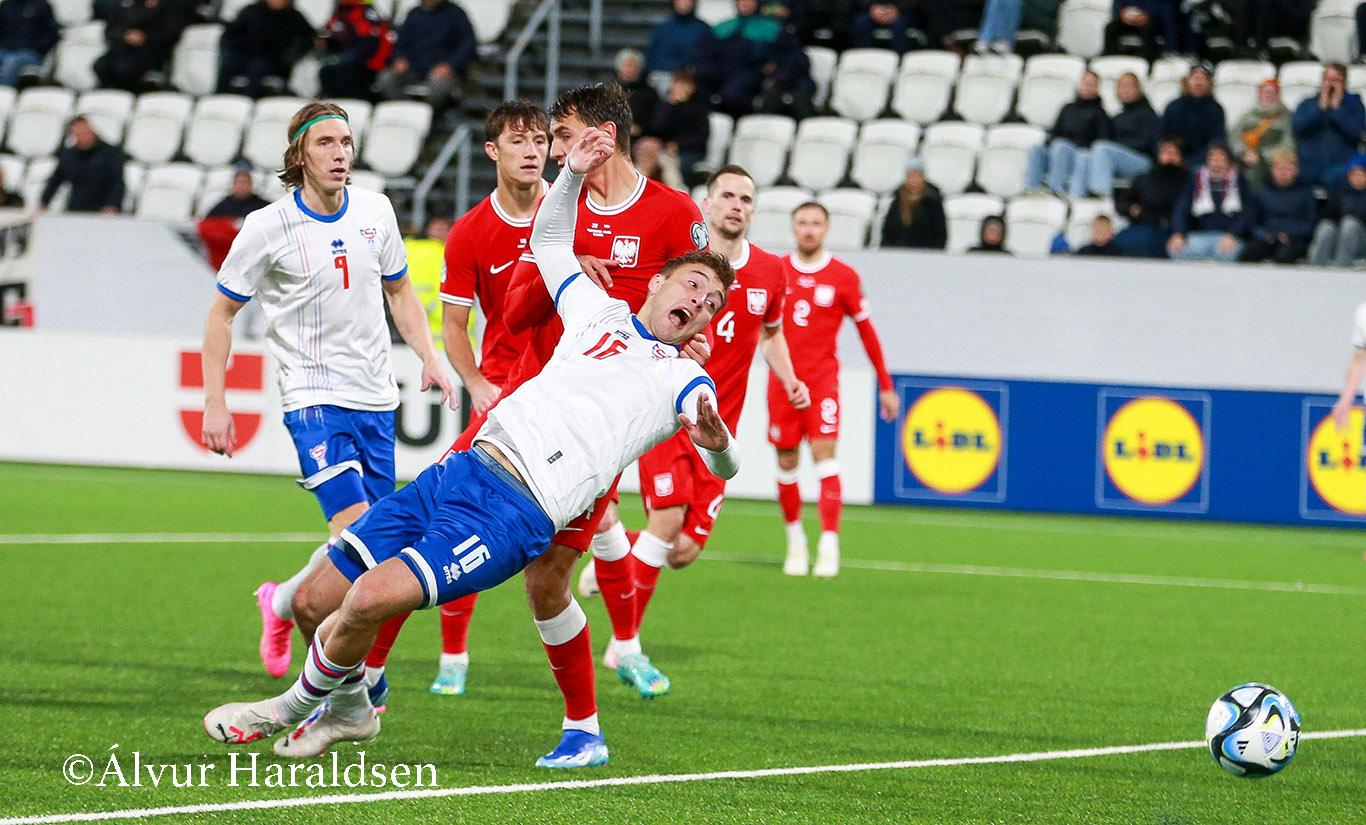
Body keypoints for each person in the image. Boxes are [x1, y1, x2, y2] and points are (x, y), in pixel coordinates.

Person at [202, 128, 739, 765]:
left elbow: (721, 460)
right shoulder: (598, 312)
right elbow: (546, 243)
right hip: (461, 469)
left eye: (713, 302)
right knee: (318, 599)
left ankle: (287, 708)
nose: (702, 301)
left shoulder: (685, 378)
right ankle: (350, 711)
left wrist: (719, 444)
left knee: (370, 598)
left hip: (517, 510)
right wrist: (570, 174)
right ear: (655, 285)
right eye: (694, 285)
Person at [376, 85, 710, 756]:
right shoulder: (562, 212)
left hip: (594, 438)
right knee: (423, 530)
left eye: (561, 135)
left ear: (602, 137)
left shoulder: (674, 214)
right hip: (522, 405)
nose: (551, 151)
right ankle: (367, 672)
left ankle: (585, 724)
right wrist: (561, 276)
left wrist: (693, 350)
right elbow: (520, 312)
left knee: (547, 578)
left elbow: (700, 307)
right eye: (551, 139)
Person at [201, 102, 456, 689]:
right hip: (312, 397)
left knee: (365, 541)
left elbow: (400, 294)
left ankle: (285, 600)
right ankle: (355, 680)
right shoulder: (267, 227)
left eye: (347, 142)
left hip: (375, 397)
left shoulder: (376, 209)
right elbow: (220, 315)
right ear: (299, 155)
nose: (341, 153)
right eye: (327, 144)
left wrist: (429, 356)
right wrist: (217, 401)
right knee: (362, 531)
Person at [581, 164, 808, 690]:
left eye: (746, 199)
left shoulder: (772, 271)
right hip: (667, 415)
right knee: (667, 522)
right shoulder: (682, 267)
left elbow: (770, 335)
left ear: (753, 211)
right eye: (726, 195)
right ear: (707, 205)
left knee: (683, 550)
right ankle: (625, 646)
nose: (736, 205)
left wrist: (791, 379)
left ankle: (614, 560)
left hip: (718, 431)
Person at [375, 100, 548, 699]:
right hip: (503, 394)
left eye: (541, 141)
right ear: (492, 151)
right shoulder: (473, 231)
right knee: (454, 521)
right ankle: (443, 655)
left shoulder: (575, 210)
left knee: (594, 532)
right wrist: (477, 383)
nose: (533, 151)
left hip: (571, 394)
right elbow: (454, 326)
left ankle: (625, 649)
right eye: (520, 141)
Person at [774, 201, 897, 578]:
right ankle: (796, 541)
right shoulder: (777, 271)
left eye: (816, 223)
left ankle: (829, 543)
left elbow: (867, 332)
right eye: (802, 223)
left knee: (825, 455)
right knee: (786, 461)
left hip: (822, 382)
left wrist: (886, 385)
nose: (809, 229)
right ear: (793, 228)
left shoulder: (843, 276)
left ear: (826, 229)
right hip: (783, 383)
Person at [1024, 70, 1110, 199]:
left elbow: (1101, 141)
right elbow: (1055, 132)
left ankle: (1056, 189)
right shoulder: (1067, 108)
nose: (1087, 87)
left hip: (1079, 154)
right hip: (1058, 151)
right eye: (1085, 83)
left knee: (1060, 146)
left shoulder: (1100, 113)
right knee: (1036, 150)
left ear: (1097, 88)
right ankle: (1032, 189)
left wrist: (1073, 145)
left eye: (1091, 84)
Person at [375, 0, 476, 109]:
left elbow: (468, 44)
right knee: (386, 79)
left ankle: (428, 113)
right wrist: (400, 58)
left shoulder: (456, 14)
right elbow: (401, 43)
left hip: (442, 69)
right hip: (413, 67)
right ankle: (407, 110)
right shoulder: (414, 14)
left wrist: (450, 65)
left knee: (439, 85)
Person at [1166, 142, 1250, 263]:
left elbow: (1247, 213)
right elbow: (1181, 209)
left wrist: (1233, 234)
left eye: (1221, 158)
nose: (1217, 162)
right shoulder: (1195, 181)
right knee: (1175, 249)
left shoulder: (1240, 182)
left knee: (1231, 254)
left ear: (1228, 161)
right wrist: (1178, 233)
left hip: (1228, 237)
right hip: (1199, 236)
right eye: (1213, 158)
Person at [217, 0, 316, 98]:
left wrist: (291, 56)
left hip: (274, 60)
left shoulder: (294, 16)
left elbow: (310, 36)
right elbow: (231, 33)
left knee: (257, 68)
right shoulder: (251, 11)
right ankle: (218, 98)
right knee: (228, 66)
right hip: (246, 54)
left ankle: (249, 101)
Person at [1290, 63, 1366, 190]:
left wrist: (1337, 110)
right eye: (1328, 80)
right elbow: (1297, 128)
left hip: (1341, 167)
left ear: (1344, 84)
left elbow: (1357, 133)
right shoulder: (1307, 103)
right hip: (1308, 166)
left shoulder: (1354, 105)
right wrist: (1319, 109)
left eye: (1336, 80)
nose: (1331, 84)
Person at [1086, 72, 1159, 198]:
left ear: (1138, 89)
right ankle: (1077, 199)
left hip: (1143, 162)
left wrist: (1118, 146)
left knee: (1102, 148)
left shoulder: (1148, 114)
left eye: (1129, 86)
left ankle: (1102, 197)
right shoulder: (1117, 117)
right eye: (1121, 87)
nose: (1125, 90)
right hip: (1117, 160)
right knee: (1086, 155)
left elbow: (1147, 143)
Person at [1237, 148, 1314, 265]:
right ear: (1273, 170)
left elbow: (1310, 224)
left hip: (1294, 241)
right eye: (1280, 169)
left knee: (1284, 257)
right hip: (1267, 239)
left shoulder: (1305, 193)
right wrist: (1265, 235)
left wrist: (1290, 234)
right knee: (1247, 254)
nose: (1284, 173)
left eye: (1288, 169)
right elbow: (1253, 223)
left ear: (1296, 170)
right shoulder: (1262, 192)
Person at [1112, 136, 1185, 258]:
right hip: (1142, 225)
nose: (1170, 157)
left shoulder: (1186, 181)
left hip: (1169, 229)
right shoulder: (1144, 179)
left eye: (1174, 153)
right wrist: (1130, 209)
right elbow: (1123, 201)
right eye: (1166, 153)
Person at [93, 0, 187, 92]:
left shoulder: (173, 5)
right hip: (125, 49)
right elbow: (112, 29)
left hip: (154, 51)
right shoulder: (131, 5)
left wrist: (144, 37)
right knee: (101, 66)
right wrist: (125, 35)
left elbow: (171, 31)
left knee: (124, 68)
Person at [39, 117, 126, 215]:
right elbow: (55, 180)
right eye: (79, 134)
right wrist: (44, 203)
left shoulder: (111, 153)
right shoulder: (69, 155)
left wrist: (112, 205)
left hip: (104, 210)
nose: (84, 137)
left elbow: (117, 182)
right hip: (76, 208)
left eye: (85, 132)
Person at [317, 0, 394, 100]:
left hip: (368, 64)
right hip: (347, 60)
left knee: (342, 76)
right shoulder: (339, 12)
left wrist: (342, 60)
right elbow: (331, 34)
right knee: (326, 72)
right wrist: (325, 41)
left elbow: (368, 45)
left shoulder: (366, 12)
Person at [1231, 79, 1293, 190]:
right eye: (1265, 92)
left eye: (1272, 93)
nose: (1268, 96)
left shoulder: (1286, 117)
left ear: (1278, 95)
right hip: (1249, 159)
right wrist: (1244, 153)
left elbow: (1288, 143)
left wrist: (1262, 156)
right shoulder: (1248, 115)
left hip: (1275, 160)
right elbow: (1234, 138)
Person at [650, 69, 709, 183]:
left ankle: (678, 191)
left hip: (690, 151)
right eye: (678, 84)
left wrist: (678, 145)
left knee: (671, 163)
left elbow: (701, 137)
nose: (680, 88)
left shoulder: (699, 109)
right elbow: (657, 128)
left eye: (685, 84)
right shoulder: (666, 106)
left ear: (692, 88)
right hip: (664, 148)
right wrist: (670, 105)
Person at [1159, 64, 1226, 163]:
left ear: (1209, 83)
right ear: (1187, 82)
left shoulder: (1216, 110)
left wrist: (1190, 161)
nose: (1198, 82)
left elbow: (1216, 142)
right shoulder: (1173, 107)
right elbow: (1163, 136)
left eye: (1203, 79)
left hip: (1201, 162)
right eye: (1195, 78)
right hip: (1172, 160)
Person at [1308, 154, 1366, 268]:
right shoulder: (1339, 192)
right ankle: (1315, 268)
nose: (1357, 178)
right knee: (1326, 227)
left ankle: (1341, 267)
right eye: (1354, 174)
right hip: (1339, 235)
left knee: (1350, 224)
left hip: (1361, 240)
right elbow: (1328, 215)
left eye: (1361, 174)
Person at [880, 157, 946, 250]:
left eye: (917, 176)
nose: (914, 180)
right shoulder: (897, 201)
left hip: (925, 255)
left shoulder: (933, 202)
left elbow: (940, 234)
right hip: (898, 254)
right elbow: (887, 232)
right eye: (911, 176)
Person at [645, 0, 711, 93]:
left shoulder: (703, 29)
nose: (683, 3)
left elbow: (709, 58)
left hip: (694, 77)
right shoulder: (662, 30)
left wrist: (690, 71)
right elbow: (651, 58)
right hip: (665, 76)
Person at [1104, 0, 1190, 61]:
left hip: (1152, 21)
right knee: (1110, 28)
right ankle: (1109, 57)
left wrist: (1148, 14)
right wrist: (1122, 12)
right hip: (1127, 20)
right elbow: (1117, 4)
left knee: (1149, 29)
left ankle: (1148, 61)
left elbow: (1166, 8)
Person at [0, 0, 58, 87]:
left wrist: (32, 47)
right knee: (9, 58)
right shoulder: (5, 6)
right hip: (6, 50)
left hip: (32, 53)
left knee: (12, 61)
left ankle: (3, 97)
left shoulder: (42, 5)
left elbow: (51, 35)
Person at [615, 48, 659, 140]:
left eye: (634, 66)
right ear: (619, 68)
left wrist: (640, 129)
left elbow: (656, 121)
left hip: (641, 137)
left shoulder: (650, 93)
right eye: (627, 65)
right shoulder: (609, 91)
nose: (631, 69)